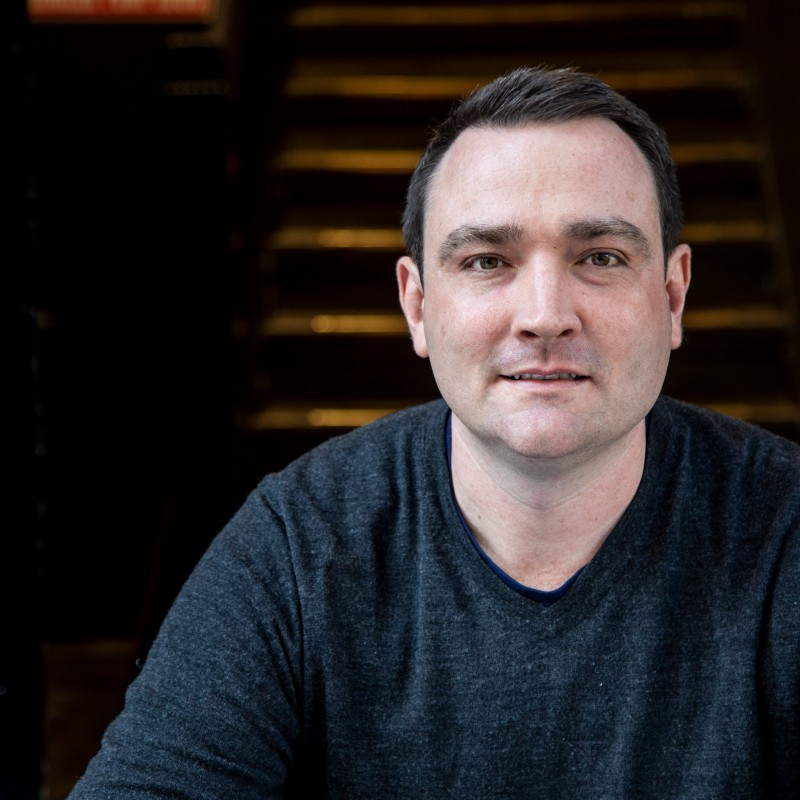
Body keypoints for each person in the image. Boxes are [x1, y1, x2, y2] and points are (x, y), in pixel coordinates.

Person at [68, 66, 800, 799]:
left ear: (672, 296)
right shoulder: (298, 546)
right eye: (487, 261)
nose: (545, 316)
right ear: (417, 306)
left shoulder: (784, 529)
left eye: (600, 257)